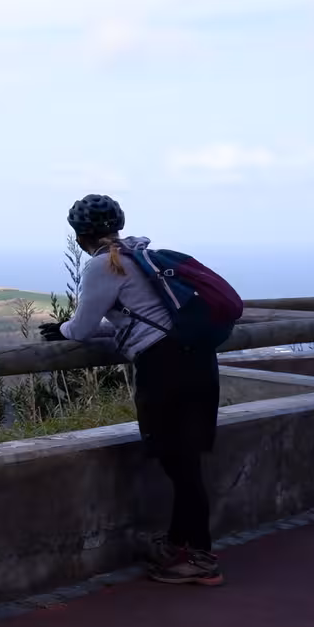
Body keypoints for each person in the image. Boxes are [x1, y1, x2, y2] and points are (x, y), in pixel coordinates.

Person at [39, 194, 224, 587]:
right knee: (187, 465)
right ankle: (181, 548)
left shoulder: (104, 265)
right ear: (117, 225)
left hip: (164, 368)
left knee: (180, 466)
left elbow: (83, 327)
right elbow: (139, 317)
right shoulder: (141, 256)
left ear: (79, 235)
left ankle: (200, 559)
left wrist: (64, 330)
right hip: (198, 360)